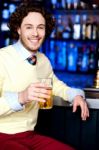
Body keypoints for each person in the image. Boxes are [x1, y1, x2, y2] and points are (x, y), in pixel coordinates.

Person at [0, 1, 89, 150]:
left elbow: (56, 86)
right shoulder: (2, 58)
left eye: (40, 27)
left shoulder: (43, 60)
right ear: (18, 29)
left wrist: (76, 95)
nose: (35, 33)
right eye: (29, 27)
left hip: (29, 135)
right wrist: (21, 97)